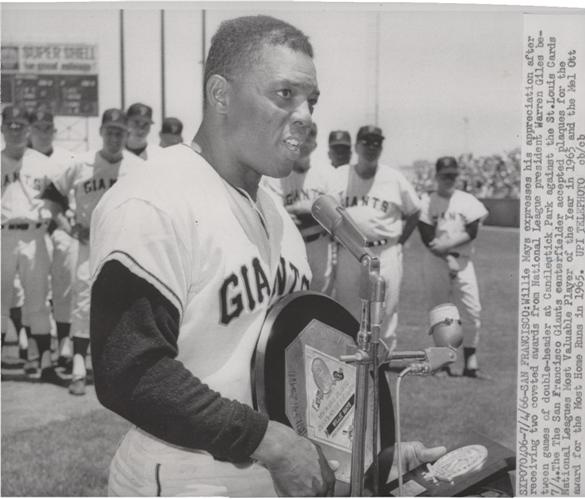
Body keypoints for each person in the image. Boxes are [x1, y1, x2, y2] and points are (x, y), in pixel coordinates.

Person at [88, 15, 445, 497]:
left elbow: (295, 373)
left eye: (311, 101)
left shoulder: (277, 213)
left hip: (275, 471)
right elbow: (129, 370)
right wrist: (267, 442)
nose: (306, 115)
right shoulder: (153, 198)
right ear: (220, 95)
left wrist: (366, 461)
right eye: (285, 95)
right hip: (183, 474)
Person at [41, 108, 144, 395]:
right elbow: (51, 197)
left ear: (127, 134)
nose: (114, 137)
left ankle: (120, 370)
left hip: (125, 245)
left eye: (120, 132)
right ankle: (77, 368)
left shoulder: (138, 167)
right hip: (88, 243)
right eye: (110, 131)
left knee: (125, 305)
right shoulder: (81, 162)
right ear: (101, 132)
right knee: (83, 301)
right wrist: (67, 225)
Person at [332, 125, 421, 350]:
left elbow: (414, 211)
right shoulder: (341, 175)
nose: (371, 147)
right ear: (356, 146)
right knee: (346, 311)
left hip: (385, 252)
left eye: (377, 142)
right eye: (366, 141)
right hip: (350, 252)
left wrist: (399, 242)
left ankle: (381, 372)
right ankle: (352, 371)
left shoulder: (394, 178)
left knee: (385, 312)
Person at [1, 105, 62, 384]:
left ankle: (46, 365)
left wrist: (49, 211)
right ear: (2, 128)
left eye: (20, 125)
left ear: (28, 130)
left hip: (35, 235)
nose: (15, 129)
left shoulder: (42, 162)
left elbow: (61, 195)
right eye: (9, 124)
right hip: (2, 235)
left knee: (38, 302)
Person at [417, 156, 489, 378]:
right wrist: (446, 256)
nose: (449, 179)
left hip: (464, 261)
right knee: (439, 311)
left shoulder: (467, 200)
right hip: (436, 261)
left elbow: (472, 230)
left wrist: (447, 246)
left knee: (471, 310)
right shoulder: (427, 202)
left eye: (453, 175)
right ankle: (442, 363)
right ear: (437, 176)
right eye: (445, 175)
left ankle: (470, 361)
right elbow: (427, 235)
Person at [263, 122, 339, 294]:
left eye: (309, 136)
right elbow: (277, 218)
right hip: (289, 248)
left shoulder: (326, 173)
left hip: (320, 247)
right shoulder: (276, 173)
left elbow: (333, 214)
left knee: (320, 302)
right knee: (290, 302)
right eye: (299, 135)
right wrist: (315, 210)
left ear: (315, 144)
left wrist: (296, 209)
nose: (304, 141)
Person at [29, 108, 78, 369]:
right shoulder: (20, 157)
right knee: (34, 294)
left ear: (55, 131)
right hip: (29, 233)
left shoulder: (67, 158)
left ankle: (63, 344)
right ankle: (37, 350)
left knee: (63, 290)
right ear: (30, 130)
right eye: (38, 127)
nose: (44, 133)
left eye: (48, 128)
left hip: (58, 229)